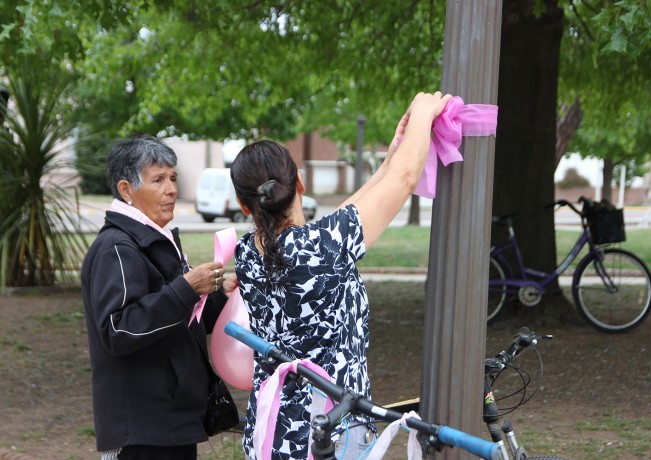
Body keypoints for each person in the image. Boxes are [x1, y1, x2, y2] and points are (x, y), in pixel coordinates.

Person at [230, 91, 452, 459]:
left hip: (271, 431)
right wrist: (425, 111)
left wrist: (389, 159)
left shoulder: (246, 252)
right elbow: (407, 180)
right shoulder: (323, 245)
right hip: (330, 434)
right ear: (299, 183)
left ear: (243, 206)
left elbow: (350, 214)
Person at [80, 134, 237, 460]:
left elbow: (187, 321)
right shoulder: (117, 248)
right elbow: (119, 329)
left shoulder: (157, 241)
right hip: (142, 430)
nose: (171, 189)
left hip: (173, 422)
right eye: (158, 180)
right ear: (126, 190)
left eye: (173, 178)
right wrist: (186, 288)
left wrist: (221, 294)